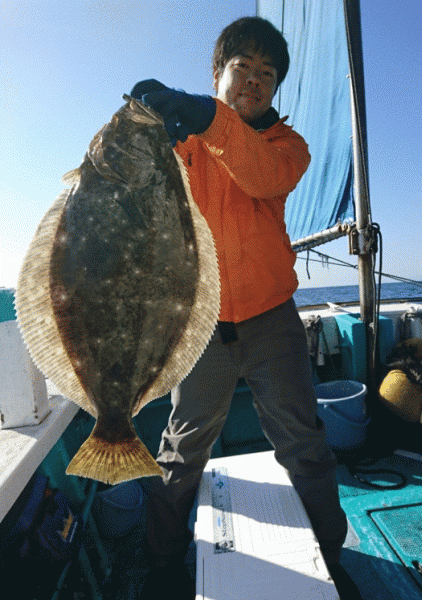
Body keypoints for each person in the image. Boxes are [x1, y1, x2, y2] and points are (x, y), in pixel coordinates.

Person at [131, 16, 360, 600]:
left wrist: (210, 119)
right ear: (217, 73)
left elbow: (258, 176)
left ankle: (332, 562)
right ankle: (160, 567)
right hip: (201, 324)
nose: (255, 81)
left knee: (304, 444)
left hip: (271, 318)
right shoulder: (182, 141)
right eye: (243, 68)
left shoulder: (288, 147)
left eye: (267, 73)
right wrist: (142, 126)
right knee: (182, 450)